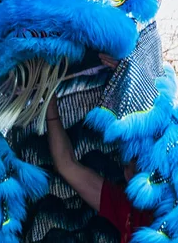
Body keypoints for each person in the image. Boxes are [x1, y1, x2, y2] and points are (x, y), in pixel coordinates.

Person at [45, 55, 153, 243]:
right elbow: (66, 165)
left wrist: (135, 82)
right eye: (133, 161)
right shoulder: (128, 210)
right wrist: (50, 107)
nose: (144, 165)